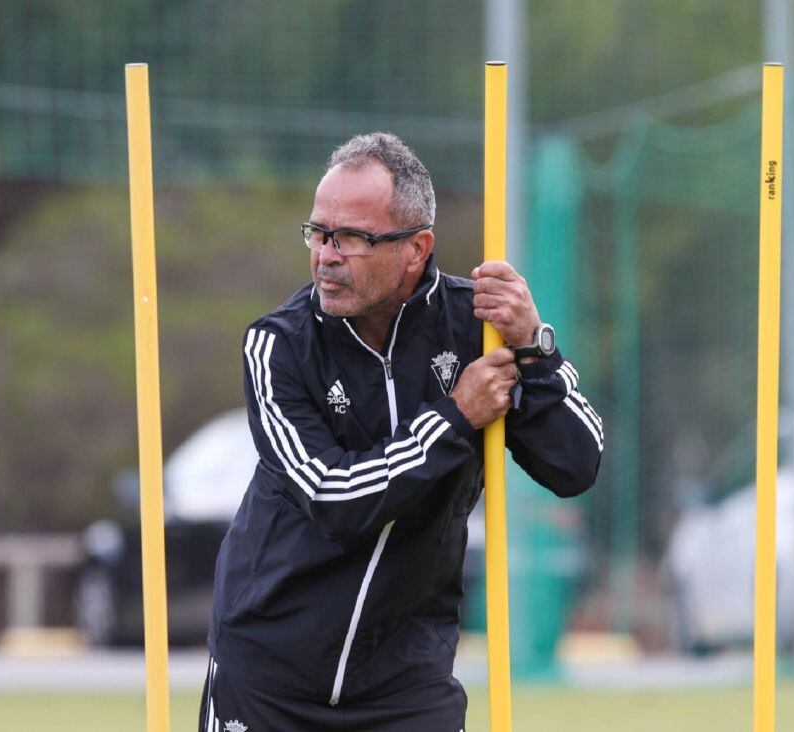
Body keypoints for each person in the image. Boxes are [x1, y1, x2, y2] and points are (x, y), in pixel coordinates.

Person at [200, 132, 602, 732]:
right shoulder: (277, 344)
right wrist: (453, 418)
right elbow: (335, 499)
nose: (326, 255)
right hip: (269, 675)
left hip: (406, 684)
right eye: (318, 232)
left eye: (352, 238)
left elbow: (576, 465)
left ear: (416, 249)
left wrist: (535, 349)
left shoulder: (477, 329)